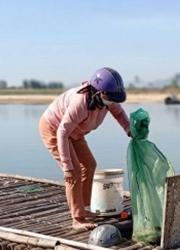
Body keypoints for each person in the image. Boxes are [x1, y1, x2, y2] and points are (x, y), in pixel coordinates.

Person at [39, 67, 131, 230]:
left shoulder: (107, 102)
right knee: (73, 172)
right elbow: (62, 132)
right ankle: (77, 219)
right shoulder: (81, 102)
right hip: (55, 130)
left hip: (75, 132)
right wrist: (67, 167)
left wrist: (129, 130)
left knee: (89, 165)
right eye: (110, 97)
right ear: (98, 92)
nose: (112, 101)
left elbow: (120, 115)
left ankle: (85, 208)